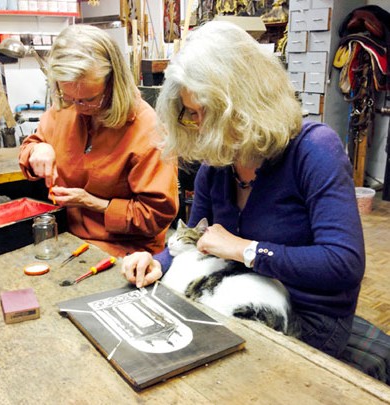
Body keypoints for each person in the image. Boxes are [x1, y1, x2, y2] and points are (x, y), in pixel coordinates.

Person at [121, 21, 365, 358]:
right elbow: (196, 242)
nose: (201, 127)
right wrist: (157, 262)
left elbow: (343, 264)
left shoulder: (315, 150)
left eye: (209, 113)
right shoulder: (215, 166)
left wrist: (246, 249)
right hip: (229, 296)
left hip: (309, 317)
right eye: (192, 114)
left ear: (247, 103)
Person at [19, 25, 179, 257]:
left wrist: (93, 202)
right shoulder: (66, 108)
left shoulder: (147, 131)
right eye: (68, 97)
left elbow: (155, 216)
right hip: (68, 238)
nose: (77, 108)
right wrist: (37, 149)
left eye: (88, 99)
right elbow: (29, 147)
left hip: (125, 252)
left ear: (113, 83)